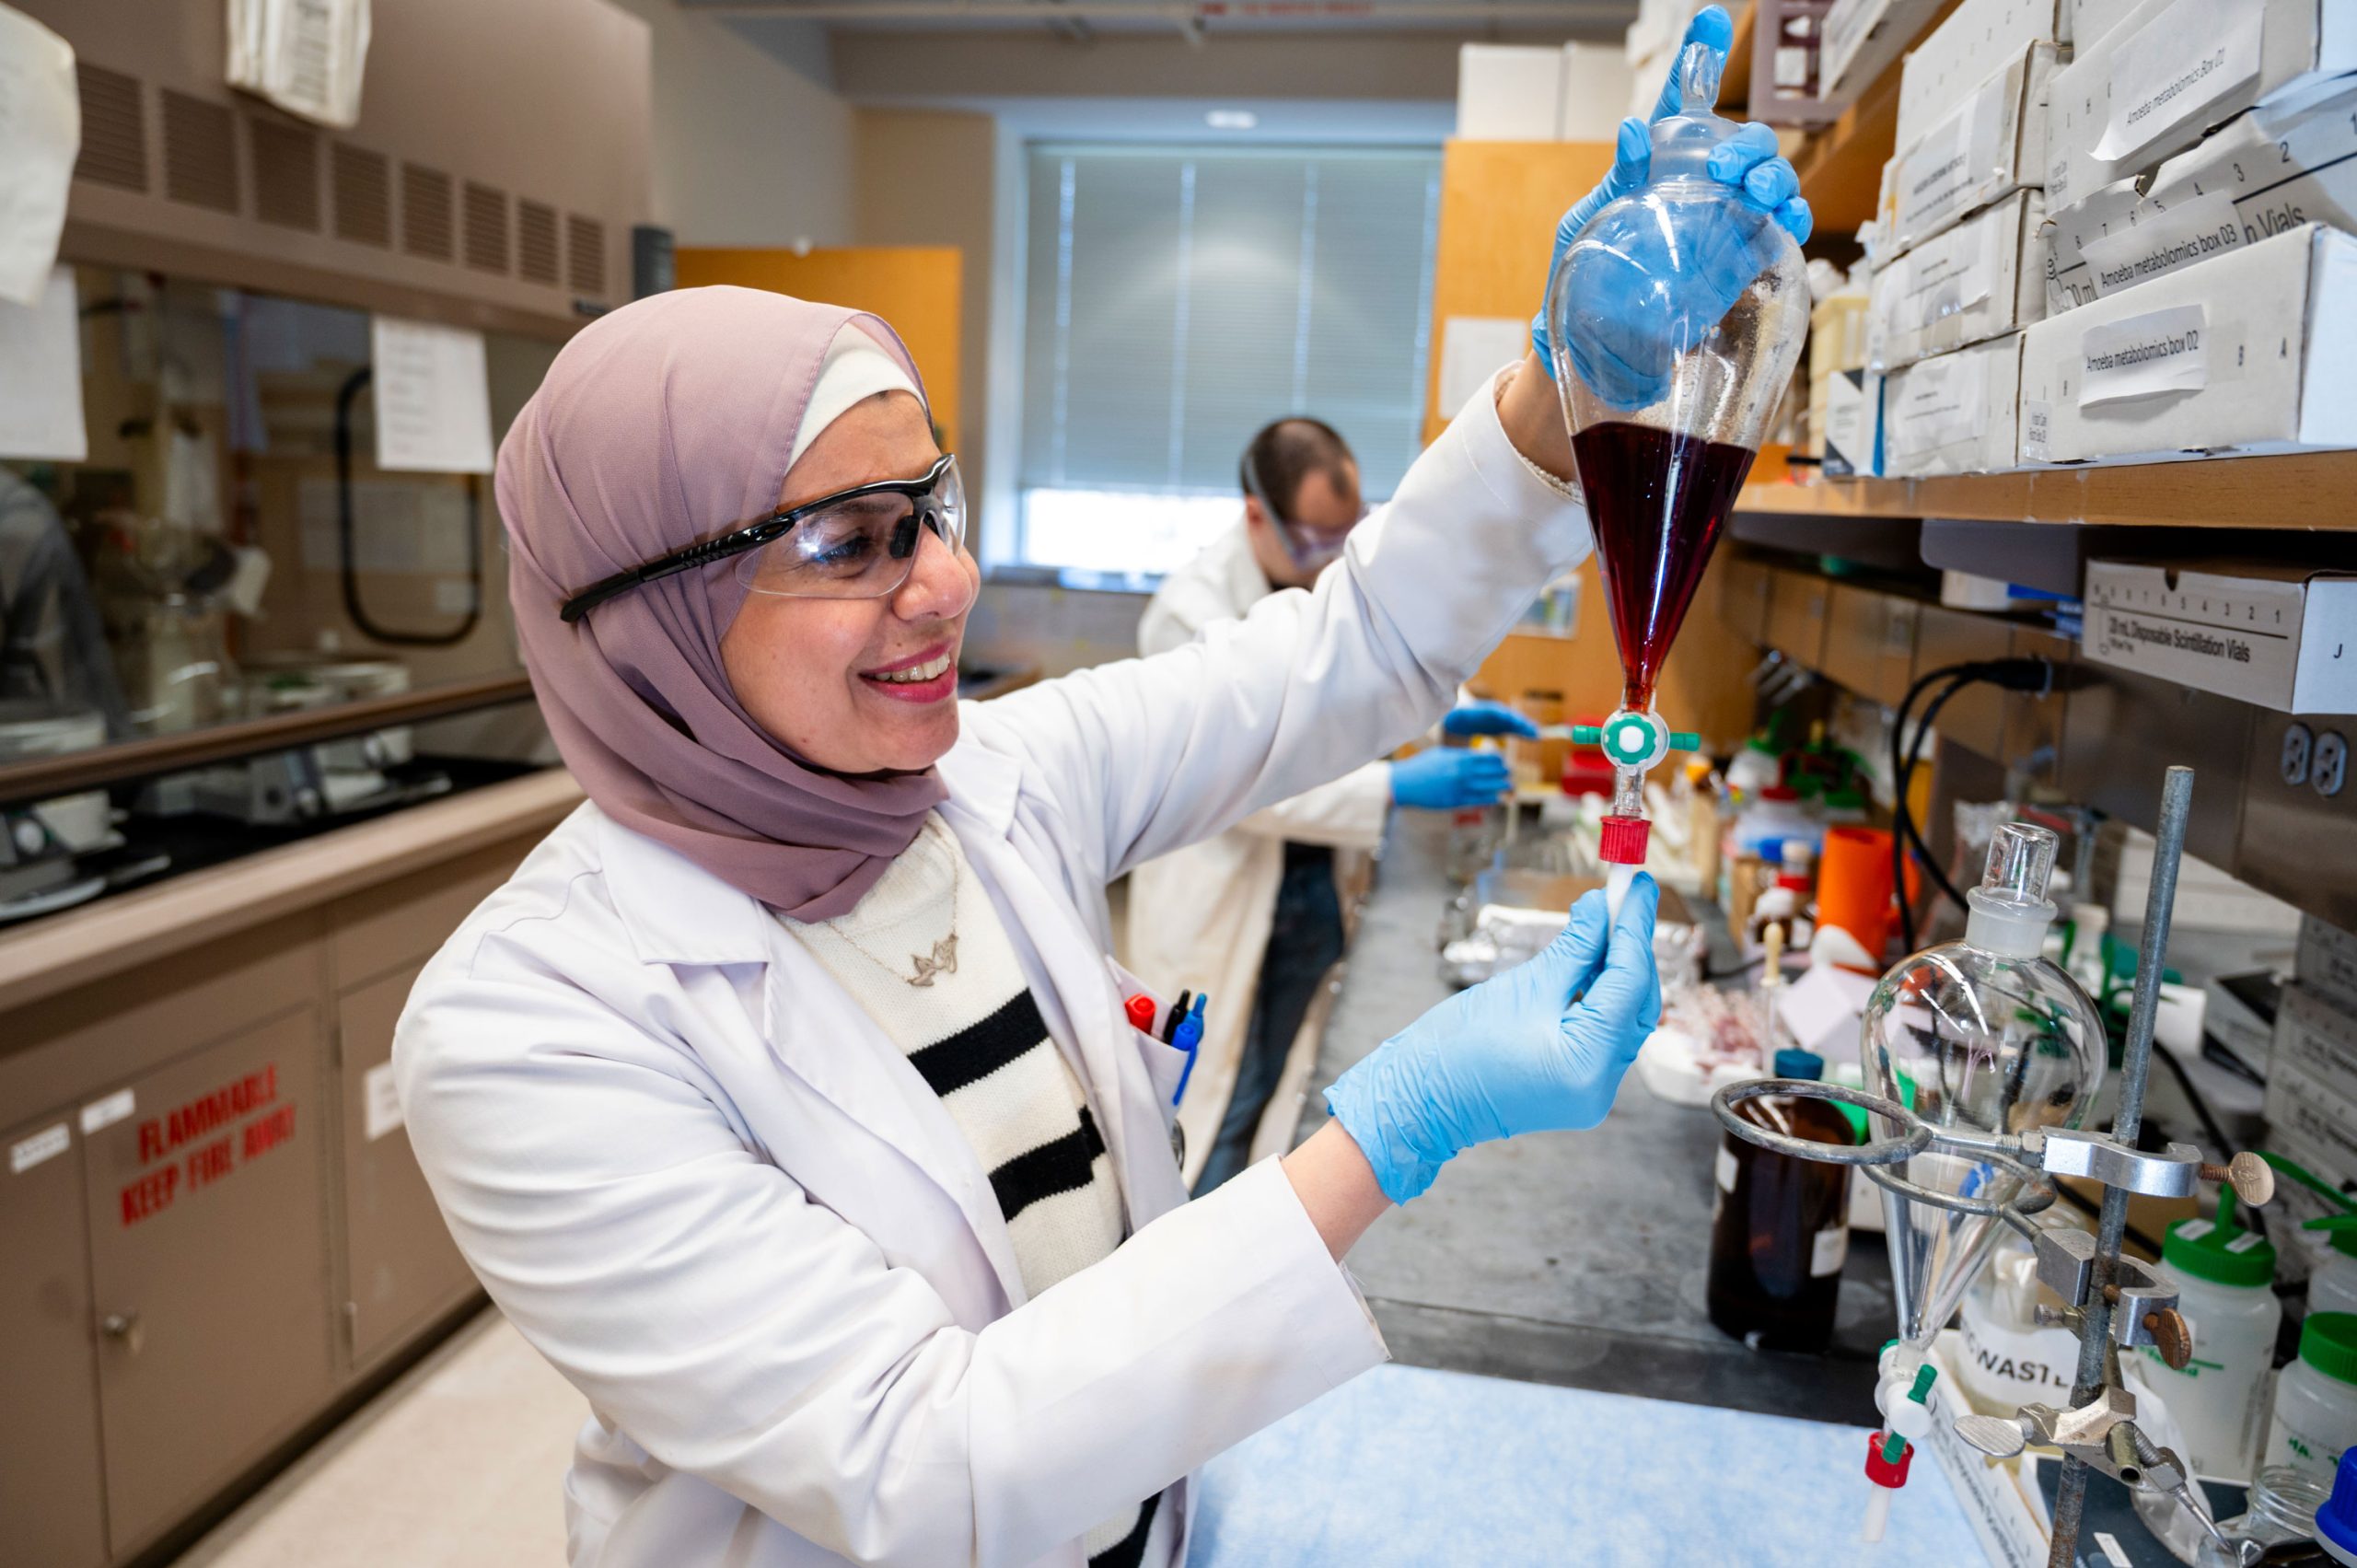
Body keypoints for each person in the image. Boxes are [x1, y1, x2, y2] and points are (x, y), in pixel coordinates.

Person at [394, 15, 1806, 1563]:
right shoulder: (531, 1026)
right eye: (852, 540)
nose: (948, 580)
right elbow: (923, 1464)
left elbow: (1350, 647)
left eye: (930, 506)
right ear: (642, 610)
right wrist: (1395, 1125)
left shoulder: (992, 776)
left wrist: (1563, 386)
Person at [1127, 415, 1535, 1193]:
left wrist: (1445, 714)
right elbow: (1238, 785)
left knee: (1280, 1088)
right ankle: (1196, 1288)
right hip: (1231, 893)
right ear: (1257, 514)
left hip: (1312, 890)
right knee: (1215, 1105)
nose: (1331, 558)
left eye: (1346, 536)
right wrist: (1394, 787)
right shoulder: (1188, 617)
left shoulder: (1320, 576)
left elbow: (1367, 675)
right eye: (1316, 538)